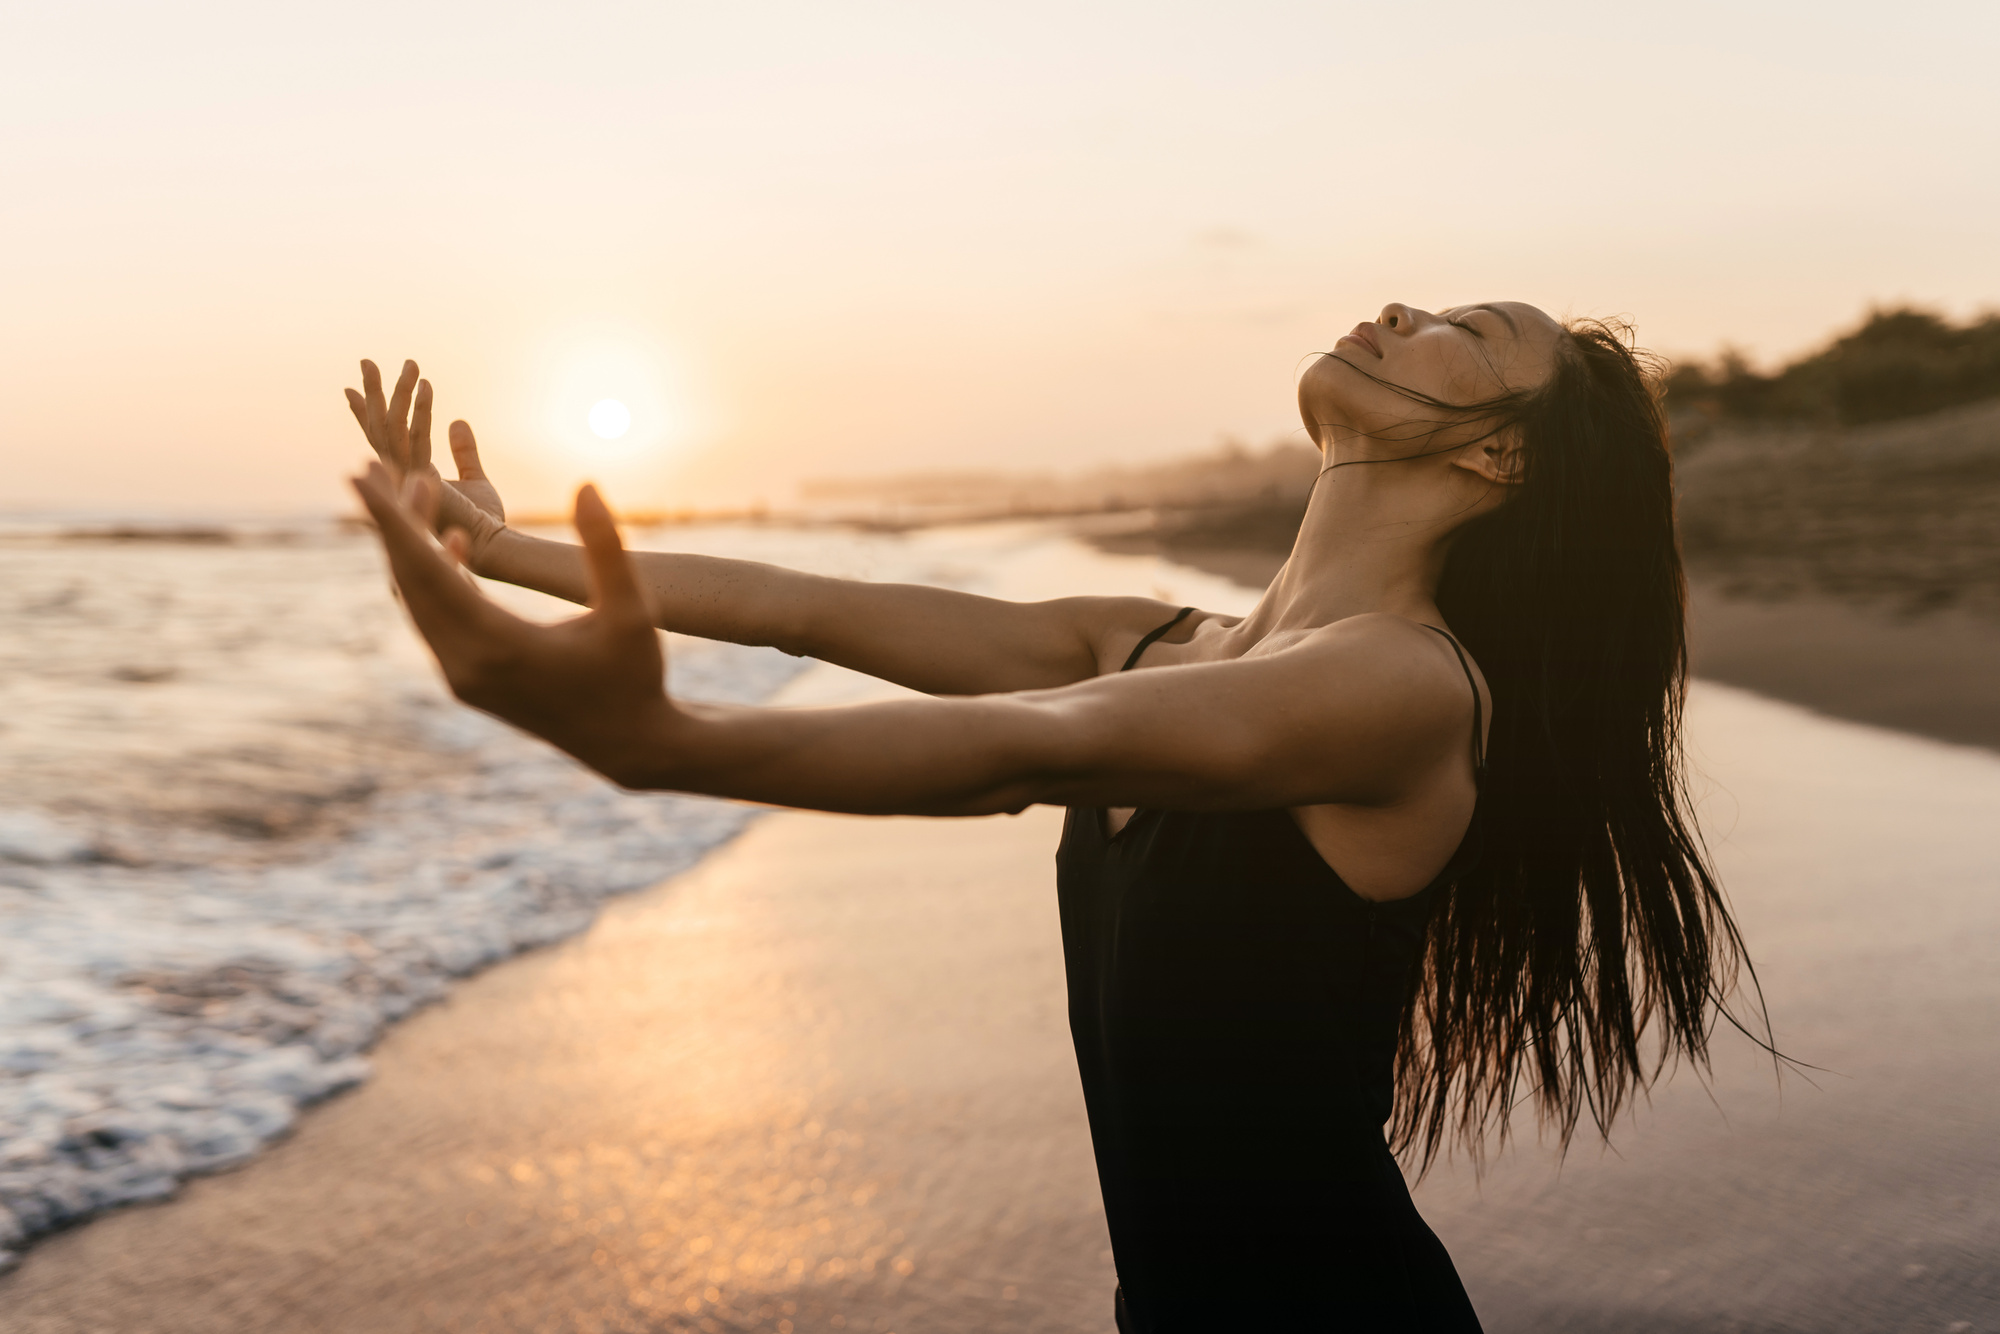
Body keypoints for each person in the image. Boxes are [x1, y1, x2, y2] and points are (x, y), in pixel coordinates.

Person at [343, 301, 1752, 1332]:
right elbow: (803, 604)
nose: (1402, 310)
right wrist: (506, 546)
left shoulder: (1404, 687)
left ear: (1503, 460)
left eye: (1471, 332)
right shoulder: (1153, 635)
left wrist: (667, 741)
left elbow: (1020, 747)